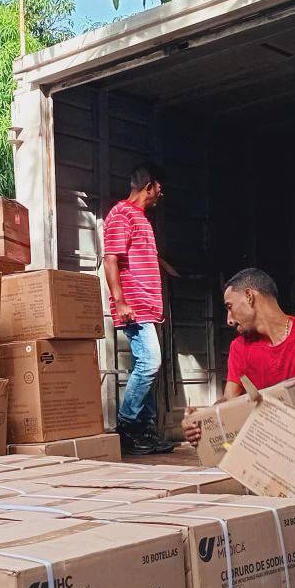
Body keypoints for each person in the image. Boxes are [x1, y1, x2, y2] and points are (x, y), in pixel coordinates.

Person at [183, 268, 295, 445]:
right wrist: (202, 422)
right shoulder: (239, 347)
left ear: (249, 296)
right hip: (271, 449)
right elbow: (229, 401)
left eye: (230, 307)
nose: (229, 320)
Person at [103, 163, 174, 455]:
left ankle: (145, 432)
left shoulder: (141, 218)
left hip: (147, 308)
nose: (161, 193)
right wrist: (120, 302)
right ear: (149, 186)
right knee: (149, 364)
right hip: (134, 307)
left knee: (145, 367)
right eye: (159, 187)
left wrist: (157, 307)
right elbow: (110, 260)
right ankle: (126, 426)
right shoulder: (121, 215)